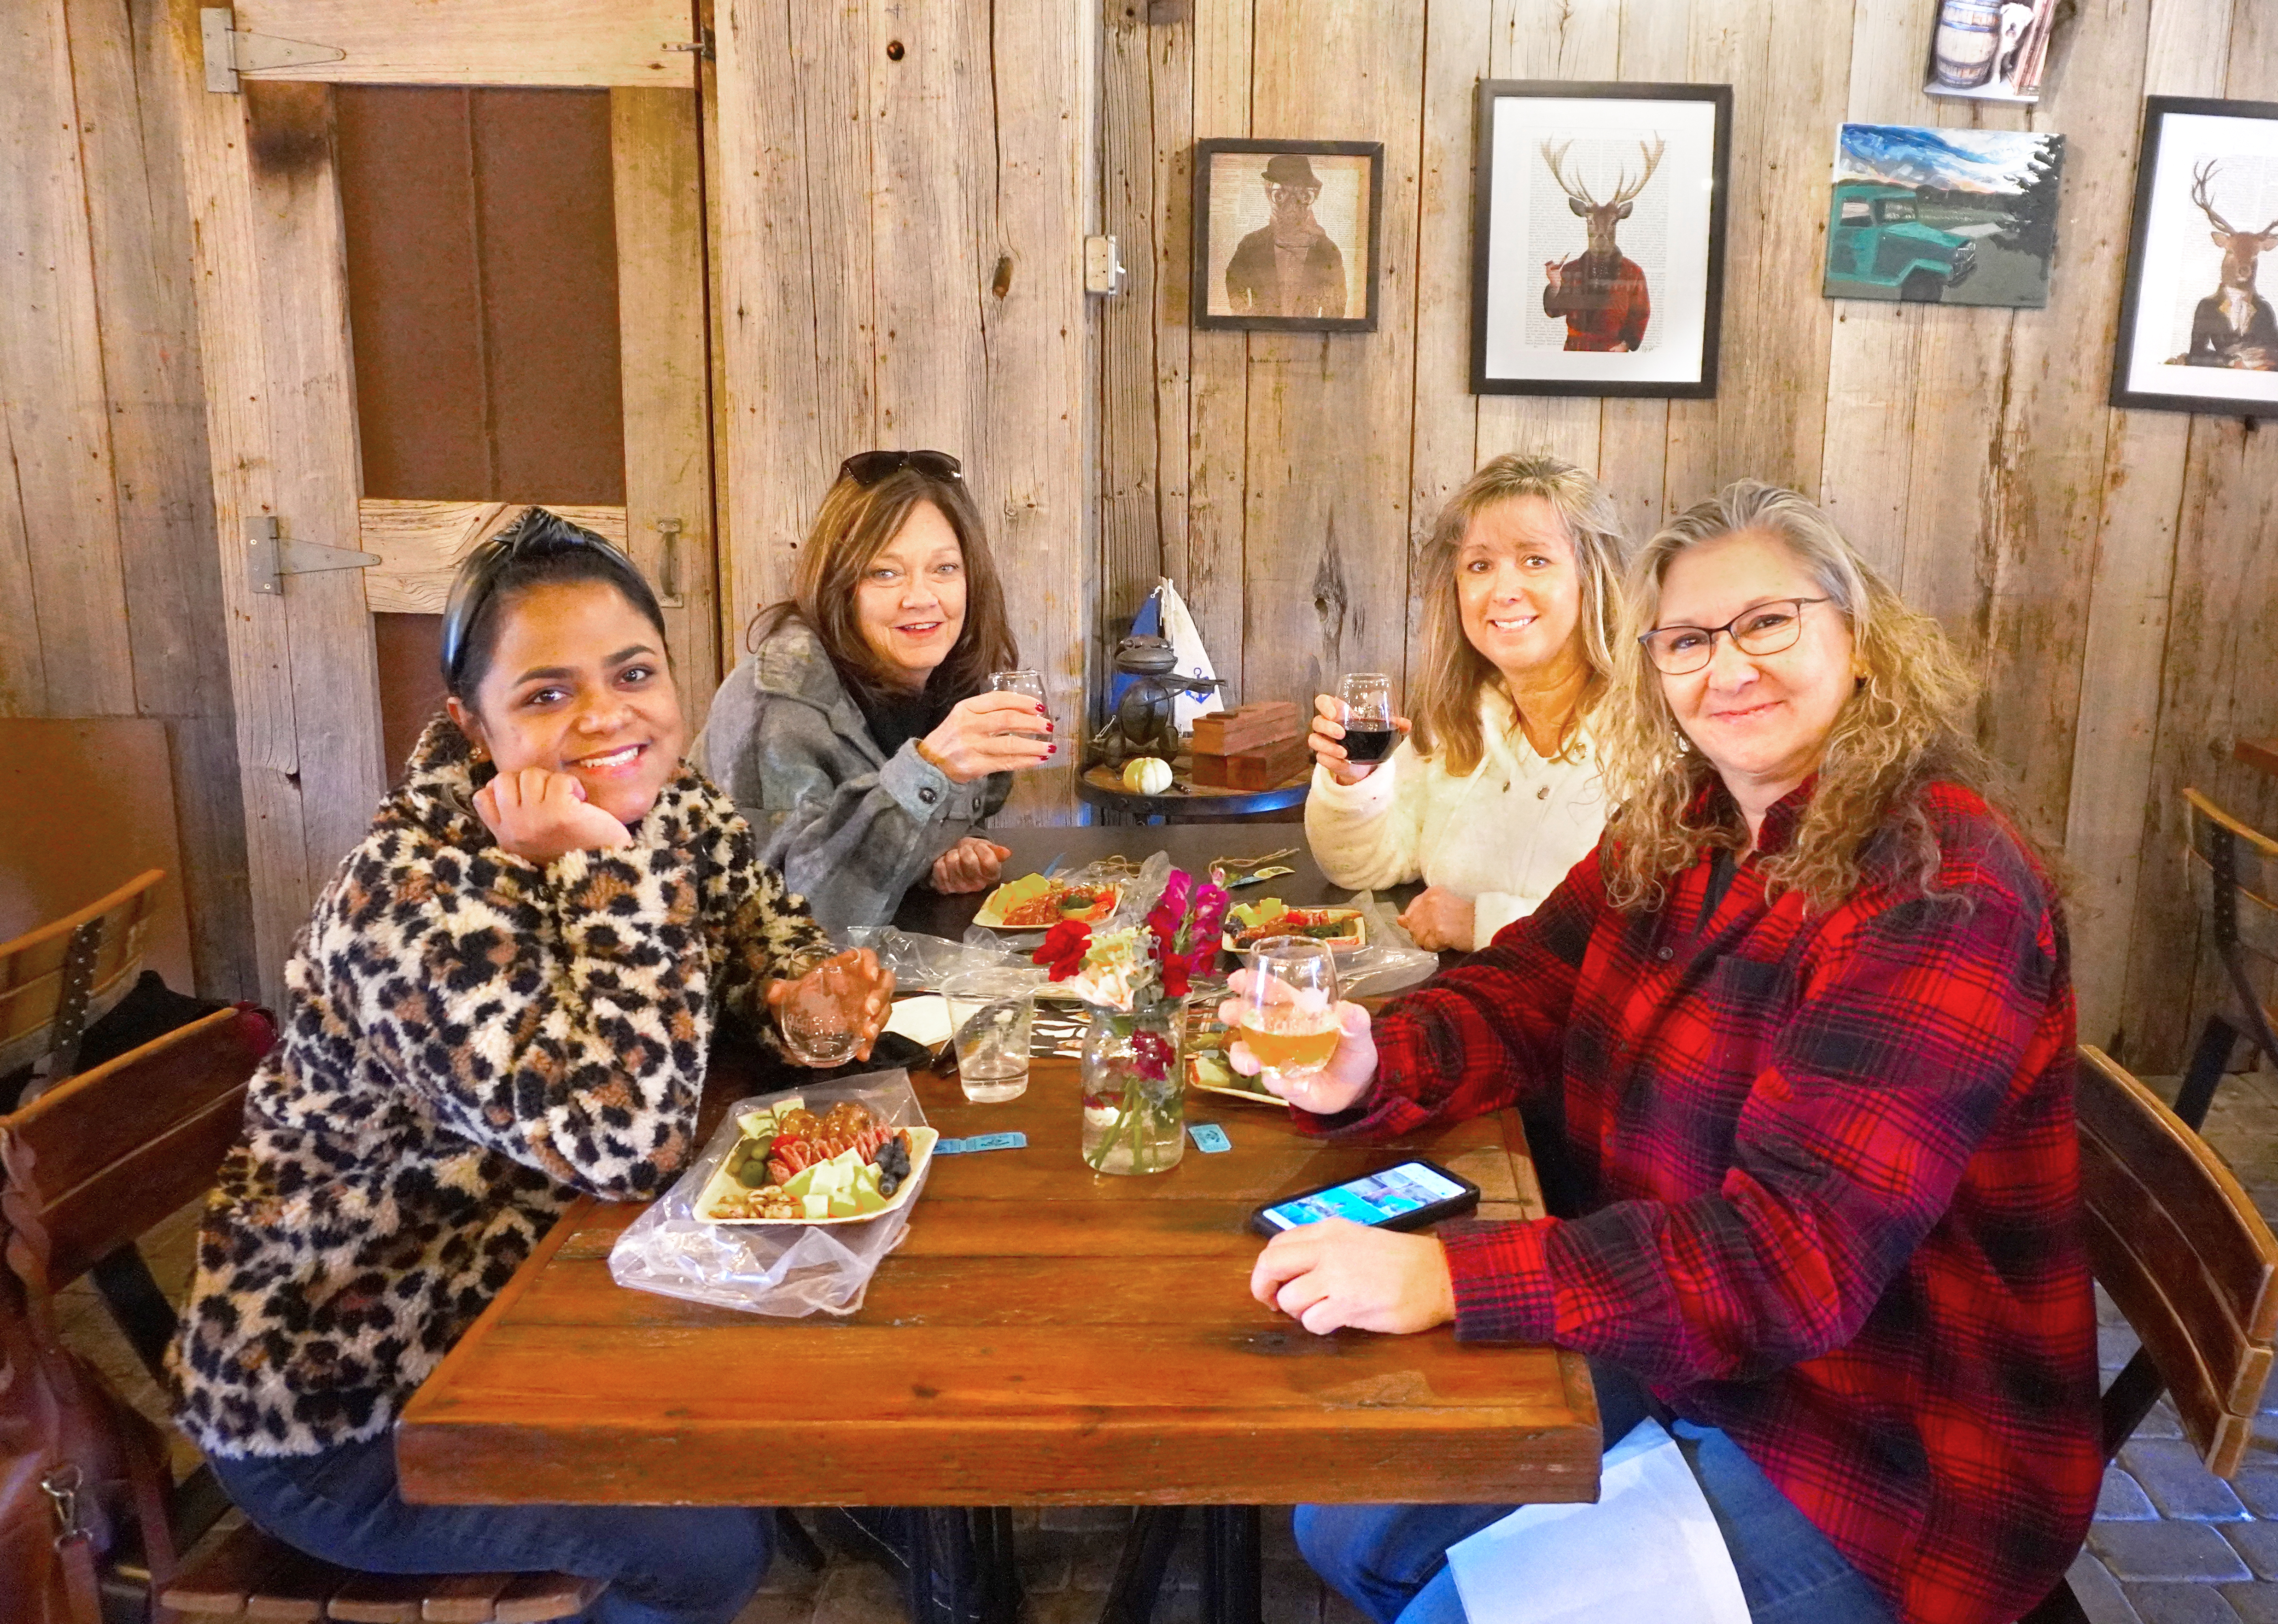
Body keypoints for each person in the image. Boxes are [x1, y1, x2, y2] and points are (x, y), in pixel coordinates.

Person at [1236, 482, 2102, 1624]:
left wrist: (1447, 1276)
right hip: (1683, 1330)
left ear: (1859, 638)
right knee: (1342, 1521)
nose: (1727, 668)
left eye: (1768, 623)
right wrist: (1371, 1062)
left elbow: (1792, 1261)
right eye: (1687, 640)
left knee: (1452, 1603)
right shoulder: (1685, 818)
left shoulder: (1941, 882)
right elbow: (1530, 984)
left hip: (1878, 1437)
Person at [169, 509, 894, 1624]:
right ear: (473, 722)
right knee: (709, 1546)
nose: (607, 717)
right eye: (546, 694)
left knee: (810, 1385)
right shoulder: (411, 897)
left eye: (633, 672)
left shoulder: (673, 796)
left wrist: (803, 999)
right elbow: (622, 1140)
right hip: (358, 1405)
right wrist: (605, 870)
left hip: (539, 1301)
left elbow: (763, 930)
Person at [696, 450, 1052, 929]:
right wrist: (930, 769)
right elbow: (793, 923)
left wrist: (942, 851)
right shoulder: (775, 703)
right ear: (841, 584)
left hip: (887, 965)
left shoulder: (953, 678)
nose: (921, 597)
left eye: (944, 568)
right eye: (884, 572)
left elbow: (961, 812)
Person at [1303, 454, 1624, 952]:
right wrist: (1354, 782)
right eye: (1479, 565)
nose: (1502, 591)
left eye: (1534, 560)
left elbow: (1662, 937)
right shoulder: (1462, 719)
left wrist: (1484, 923)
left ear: (1592, 578)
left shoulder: (1654, 734)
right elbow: (1366, 866)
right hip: (1463, 1012)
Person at [1224, 153, 1347, 318]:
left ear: (1310, 197)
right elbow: (1234, 280)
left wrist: (1320, 333)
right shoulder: (1251, 246)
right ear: (1269, 195)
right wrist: (1246, 317)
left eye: (1301, 196)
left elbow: (1336, 309)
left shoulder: (1327, 251)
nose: (1291, 205)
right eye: (1280, 196)